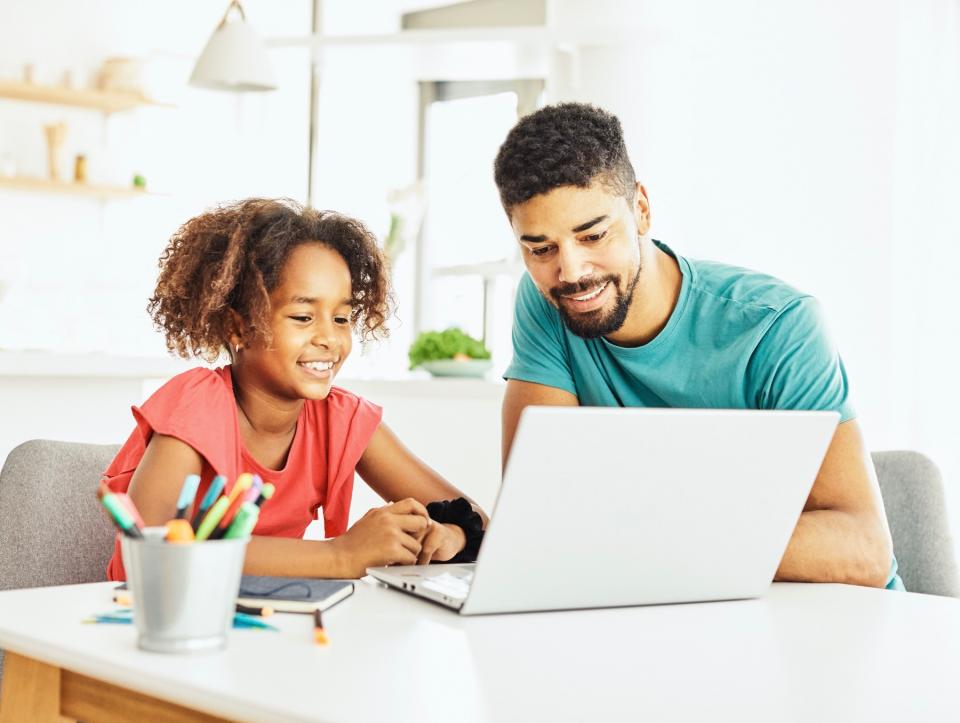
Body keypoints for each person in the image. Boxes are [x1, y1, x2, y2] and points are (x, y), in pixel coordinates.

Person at [493, 103, 901, 589]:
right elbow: (537, 516)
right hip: (672, 609)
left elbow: (864, 550)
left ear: (641, 209)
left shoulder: (777, 326)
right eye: (540, 249)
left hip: (825, 621)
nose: (572, 271)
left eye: (594, 235)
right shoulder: (548, 302)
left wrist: (640, 535)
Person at [103, 198, 487, 581]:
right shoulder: (196, 406)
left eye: (341, 318)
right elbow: (153, 548)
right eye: (303, 317)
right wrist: (339, 555)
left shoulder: (342, 420)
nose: (329, 339)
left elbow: (477, 522)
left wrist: (449, 535)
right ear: (238, 327)